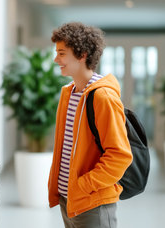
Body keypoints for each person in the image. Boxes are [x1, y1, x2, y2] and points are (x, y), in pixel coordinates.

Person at [48, 22, 133, 228]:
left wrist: (83, 186)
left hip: (93, 204)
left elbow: (120, 156)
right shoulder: (69, 93)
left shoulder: (102, 97)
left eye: (62, 53)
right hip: (69, 202)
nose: (56, 59)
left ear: (82, 55)